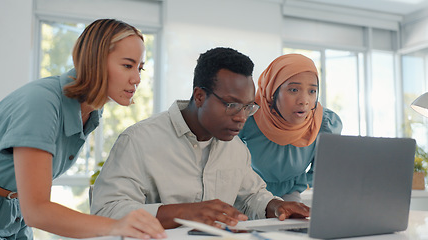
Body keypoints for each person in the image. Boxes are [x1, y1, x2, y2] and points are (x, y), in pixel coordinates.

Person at [0, 19, 166, 240]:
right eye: (127, 65)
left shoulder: (92, 111)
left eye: (140, 67)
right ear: (95, 61)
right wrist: (116, 225)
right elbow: (37, 209)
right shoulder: (41, 103)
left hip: (13, 219)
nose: (137, 79)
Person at [90, 47, 310, 229]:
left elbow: (252, 197)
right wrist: (182, 212)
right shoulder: (139, 141)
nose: (241, 118)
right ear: (199, 96)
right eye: (232, 105)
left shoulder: (235, 148)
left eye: (248, 107)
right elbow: (106, 210)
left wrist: (275, 206)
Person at [238, 53, 342, 202]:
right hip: (247, 198)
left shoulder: (323, 123)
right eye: (294, 90)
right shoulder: (248, 118)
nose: (304, 101)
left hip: (291, 198)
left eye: (312, 91)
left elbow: (322, 175)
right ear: (273, 91)